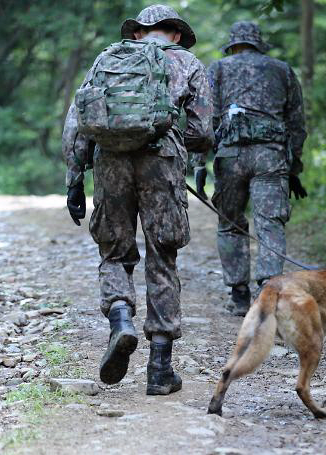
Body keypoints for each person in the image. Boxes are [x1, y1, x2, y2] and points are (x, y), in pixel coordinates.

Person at [62, 4, 214, 395]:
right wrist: (183, 148)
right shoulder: (188, 62)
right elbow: (201, 130)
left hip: (110, 162)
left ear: (138, 33)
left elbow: (78, 120)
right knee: (162, 255)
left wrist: (74, 179)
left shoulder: (107, 58)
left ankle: (120, 319)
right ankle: (160, 369)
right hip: (161, 162)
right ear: (176, 34)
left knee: (114, 252)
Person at [204, 21, 308, 317]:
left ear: (233, 45)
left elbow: (206, 118)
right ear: (258, 45)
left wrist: (199, 163)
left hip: (230, 156)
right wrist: (294, 167)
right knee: (270, 223)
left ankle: (238, 294)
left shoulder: (218, 69)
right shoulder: (282, 70)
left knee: (230, 222)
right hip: (271, 156)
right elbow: (296, 124)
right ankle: (268, 290)